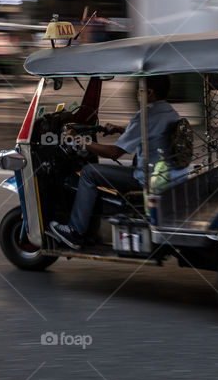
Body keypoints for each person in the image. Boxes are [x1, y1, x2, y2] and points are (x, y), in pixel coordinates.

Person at [46, 75, 178, 249]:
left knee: (88, 173)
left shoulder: (145, 115)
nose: (138, 94)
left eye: (140, 91)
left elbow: (114, 153)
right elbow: (149, 134)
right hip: (163, 174)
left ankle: (75, 232)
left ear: (150, 92)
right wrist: (120, 129)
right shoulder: (168, 111)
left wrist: (80, 141)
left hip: (146, 177)